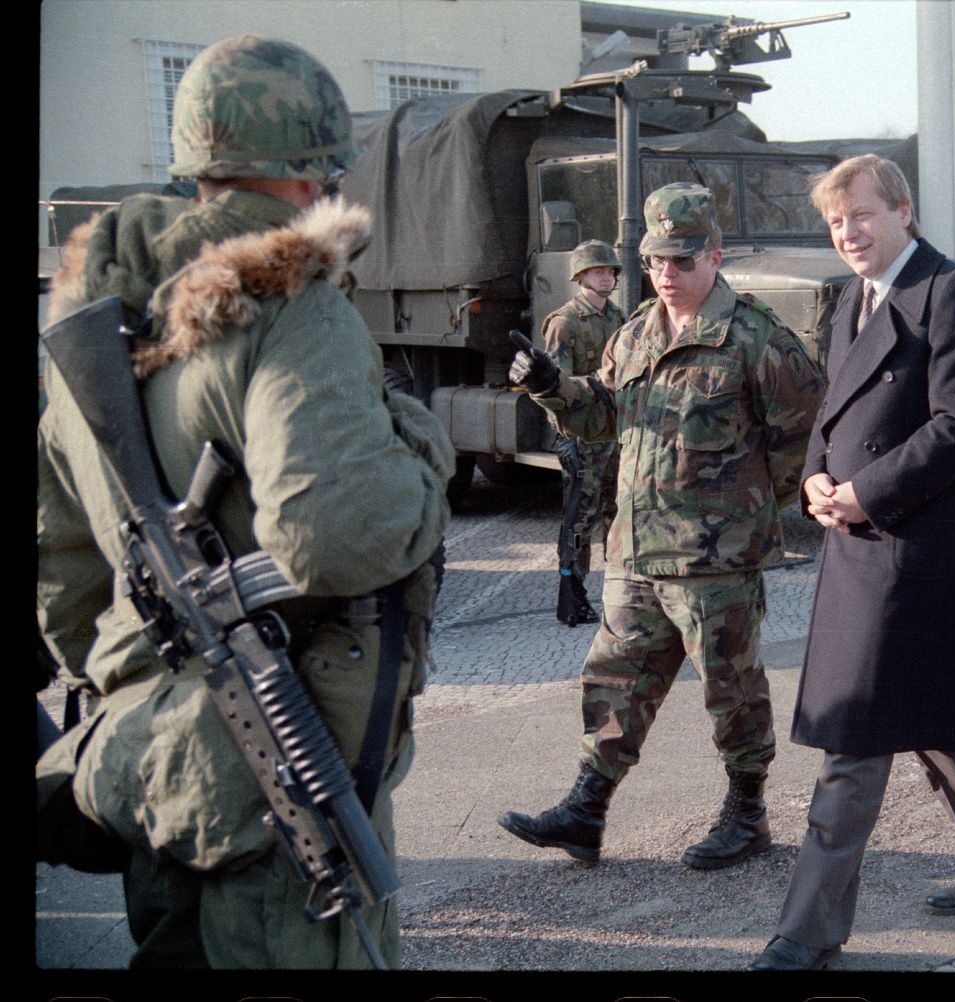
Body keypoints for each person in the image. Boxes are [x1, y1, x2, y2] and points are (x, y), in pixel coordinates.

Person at [35, 35, 453, 968]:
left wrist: (158, 676)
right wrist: (423, 443)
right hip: (278, 781)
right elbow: (344, 533)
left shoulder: (91, 330)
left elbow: (64, 583)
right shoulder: (287, 304)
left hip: (162, 767)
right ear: (319, 174)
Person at [752, 155, 955, 972]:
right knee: (941, 721)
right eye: (836, 221)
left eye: (862, 215)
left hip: (915, 544)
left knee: (857, 734)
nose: (848, 232)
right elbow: (831, 410)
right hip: (861, 537)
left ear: (904, 212)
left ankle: (806, 930)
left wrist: (864, 493)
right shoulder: (855, 295)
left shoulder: (953, 289)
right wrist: (815, 472)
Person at [500, 182, 825, 870]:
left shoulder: (757, 338)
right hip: (637, 551)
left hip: (717, 560)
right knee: (614, 679)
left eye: (681, 261)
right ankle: (586, 810)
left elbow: (804, 439)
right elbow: (600, 416)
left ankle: (747, 813)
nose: (666, 275)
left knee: (730, 690)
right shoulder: (639, 331)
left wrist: (747, 514)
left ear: (715, 254)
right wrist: (550, 385)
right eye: (654, 262)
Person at [540, 239, 626, 627]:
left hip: (614, 433)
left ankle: (621, 590)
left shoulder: (618, 318)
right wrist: (563, 439)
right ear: (580, 277)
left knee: (619, 512)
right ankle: (572, 590)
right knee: (578, 519)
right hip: (582, 435)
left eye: (610, 271)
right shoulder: (564, 322)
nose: (606, 276)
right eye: (597, 271)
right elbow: (550, 388)